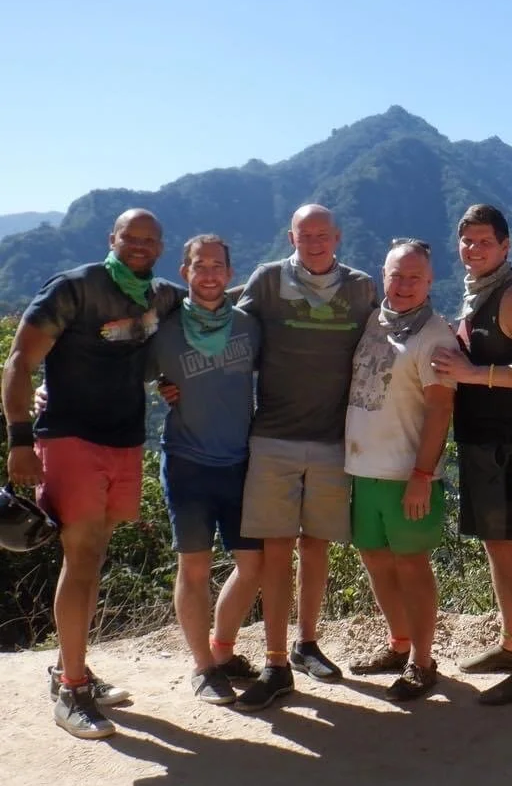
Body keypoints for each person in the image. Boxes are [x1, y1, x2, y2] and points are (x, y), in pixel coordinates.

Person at [2, 209, 181, 739]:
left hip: (125, 441)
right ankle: (72, 689)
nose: (140, 246)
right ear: (113, 239)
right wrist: (19, 438)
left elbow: (204, 318)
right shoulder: (74, 289)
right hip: (70, 437)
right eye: (131, 237)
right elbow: (19, 361)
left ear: (161, 246)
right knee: (81, 555)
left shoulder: (164, 297)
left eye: (150, 239)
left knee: (93, 553)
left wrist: (172, 380)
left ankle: (68, 666)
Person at [234, 204, 377, 711]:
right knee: (277, 551)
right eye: (304, 234)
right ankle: (274, 661)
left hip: (334, 440)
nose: (314, 242)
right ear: (290, 235)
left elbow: (391, 337)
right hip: (272, 437)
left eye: (323, 233)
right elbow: (226, 328)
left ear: (337, 236)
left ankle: (306, 644)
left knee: (316, 547)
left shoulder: (362, 288)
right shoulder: (268, 281)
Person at [431, 204, 512, 705]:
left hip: (509, 443)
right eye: (466, 241)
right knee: (495, 546)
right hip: (481, 441)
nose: (473, 249)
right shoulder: (480, 294)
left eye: (484, 241)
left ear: (506, 246)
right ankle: (511, 645)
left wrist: (472, 375)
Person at [148, 235, 264, 705]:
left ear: (231, 274)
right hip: (187, 463)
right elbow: (114, 368)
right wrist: (47, 393)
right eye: (201, 266)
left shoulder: (249, 328)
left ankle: (222, 649)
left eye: (218, 266)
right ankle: (202, 667)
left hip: (240, 462)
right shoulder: (165, 331)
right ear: (185, 272)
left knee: (252, 567)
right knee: (193, 568)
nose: (210, 274)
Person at [344, 239, 457, 700]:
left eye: (414, 277)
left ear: (430, 281)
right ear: (382, 276)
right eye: (397, 275)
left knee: (412, 565)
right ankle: (399, 642)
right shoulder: (374, 320)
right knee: (374, 558)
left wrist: (423, 475)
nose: (404, 284)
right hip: (362, 468)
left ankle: (423, 661)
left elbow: (440, 411)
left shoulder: (436, 336)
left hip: (406, 474)